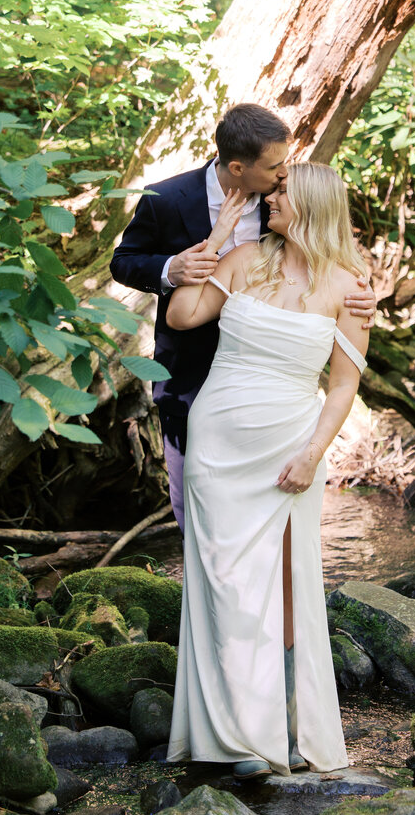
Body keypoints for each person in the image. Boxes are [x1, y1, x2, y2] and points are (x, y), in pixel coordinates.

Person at [165, 163, 369, 780]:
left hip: (289, 443)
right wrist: (212, 240)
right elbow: (181, 318)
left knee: (284, 586)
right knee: (223, 582)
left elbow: (342, 385)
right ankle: (231, 738)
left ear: (309, 205)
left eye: (280, 193)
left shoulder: (349, 287)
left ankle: (278, 727)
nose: (269, 199)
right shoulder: (243, 258)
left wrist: (312, 454)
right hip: (218, 438)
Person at [109, 104, 375, 530]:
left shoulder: (279, 206)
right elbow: (123, 263)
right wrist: (170, 269)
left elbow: (319, 253)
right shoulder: (168, 199)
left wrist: (360, 298)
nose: (280, 176)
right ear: (237, 167)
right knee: (194, 509)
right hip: (191, 376)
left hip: (275, 378)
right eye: (274, 167)